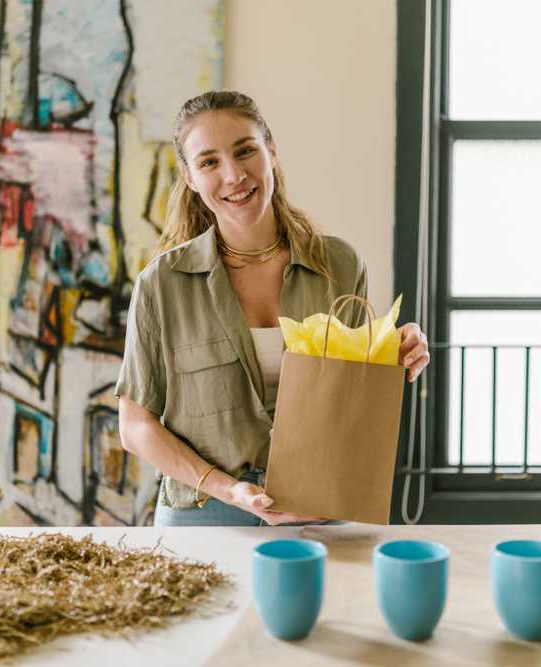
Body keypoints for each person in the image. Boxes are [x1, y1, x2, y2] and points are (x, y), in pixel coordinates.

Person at [116, 91, 430, 527]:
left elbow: (354, 394)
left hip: (323, 507)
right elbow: (135, 427)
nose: (233, 175)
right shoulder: (161, 285)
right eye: (209, 162)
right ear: (189, 177)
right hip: (204, 516)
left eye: (245, 151)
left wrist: (397, 352)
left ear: (272, 151)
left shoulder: (338, 265)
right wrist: (230, 490)